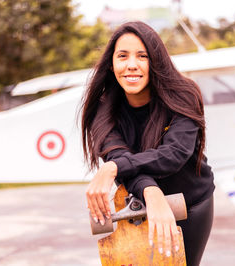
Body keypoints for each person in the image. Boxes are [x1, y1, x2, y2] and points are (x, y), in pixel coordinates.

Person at [81, 21, 215, 266]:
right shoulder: (103, 109)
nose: (132, 64)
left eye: (142, 56)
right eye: (122, 56)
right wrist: (152, 192)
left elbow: (174, 153)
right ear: (112, 65)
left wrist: (114, 168)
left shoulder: (184, 95)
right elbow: (118, 155)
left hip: (191, 203)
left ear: (156, 61)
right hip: (139, 201)